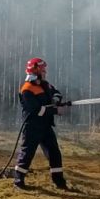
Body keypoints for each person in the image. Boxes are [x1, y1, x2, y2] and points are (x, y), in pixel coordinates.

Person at [13, 57, 69, 190]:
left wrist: (55, 100)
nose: (45, 72)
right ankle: (18, 181)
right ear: (35, 70)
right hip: (32, 127)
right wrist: (56, 110)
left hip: (45, 126)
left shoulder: (44, 84)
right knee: (27, 153)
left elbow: (56, 93)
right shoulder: (26, 89)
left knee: (54, 152)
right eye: (43, 70)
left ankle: (59, 182)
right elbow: (37, 110)